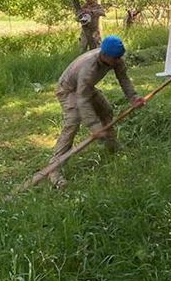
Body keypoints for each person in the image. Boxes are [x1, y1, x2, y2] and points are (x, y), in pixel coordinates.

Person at [48, 36, 146, 188]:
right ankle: (54, 171)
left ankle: (112, 145)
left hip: (85, 88)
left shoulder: (116, 58)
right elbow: (82, 100)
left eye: (119, 57)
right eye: (115, 59)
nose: (118, 61)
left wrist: (134, 98)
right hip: (67, 90)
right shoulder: (89, 68)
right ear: (105, 55)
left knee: (106, 110)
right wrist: (94, 126)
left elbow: (123, 79)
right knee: (73, 123)